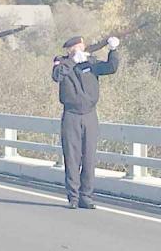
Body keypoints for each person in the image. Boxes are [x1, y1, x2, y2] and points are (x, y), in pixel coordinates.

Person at [51, 35, 120, 209]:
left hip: (90, 115)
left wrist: (113, 51)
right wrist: (72, 61)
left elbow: (111, 68)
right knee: (72, 158)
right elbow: (57, 76)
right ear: (70, 49)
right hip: (71, 116)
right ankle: (73, 197)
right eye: (77, 46)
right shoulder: (62, 62)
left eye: (82, 45)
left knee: (89, 157)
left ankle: (86, 196)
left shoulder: (91, 63)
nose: (82, 48)